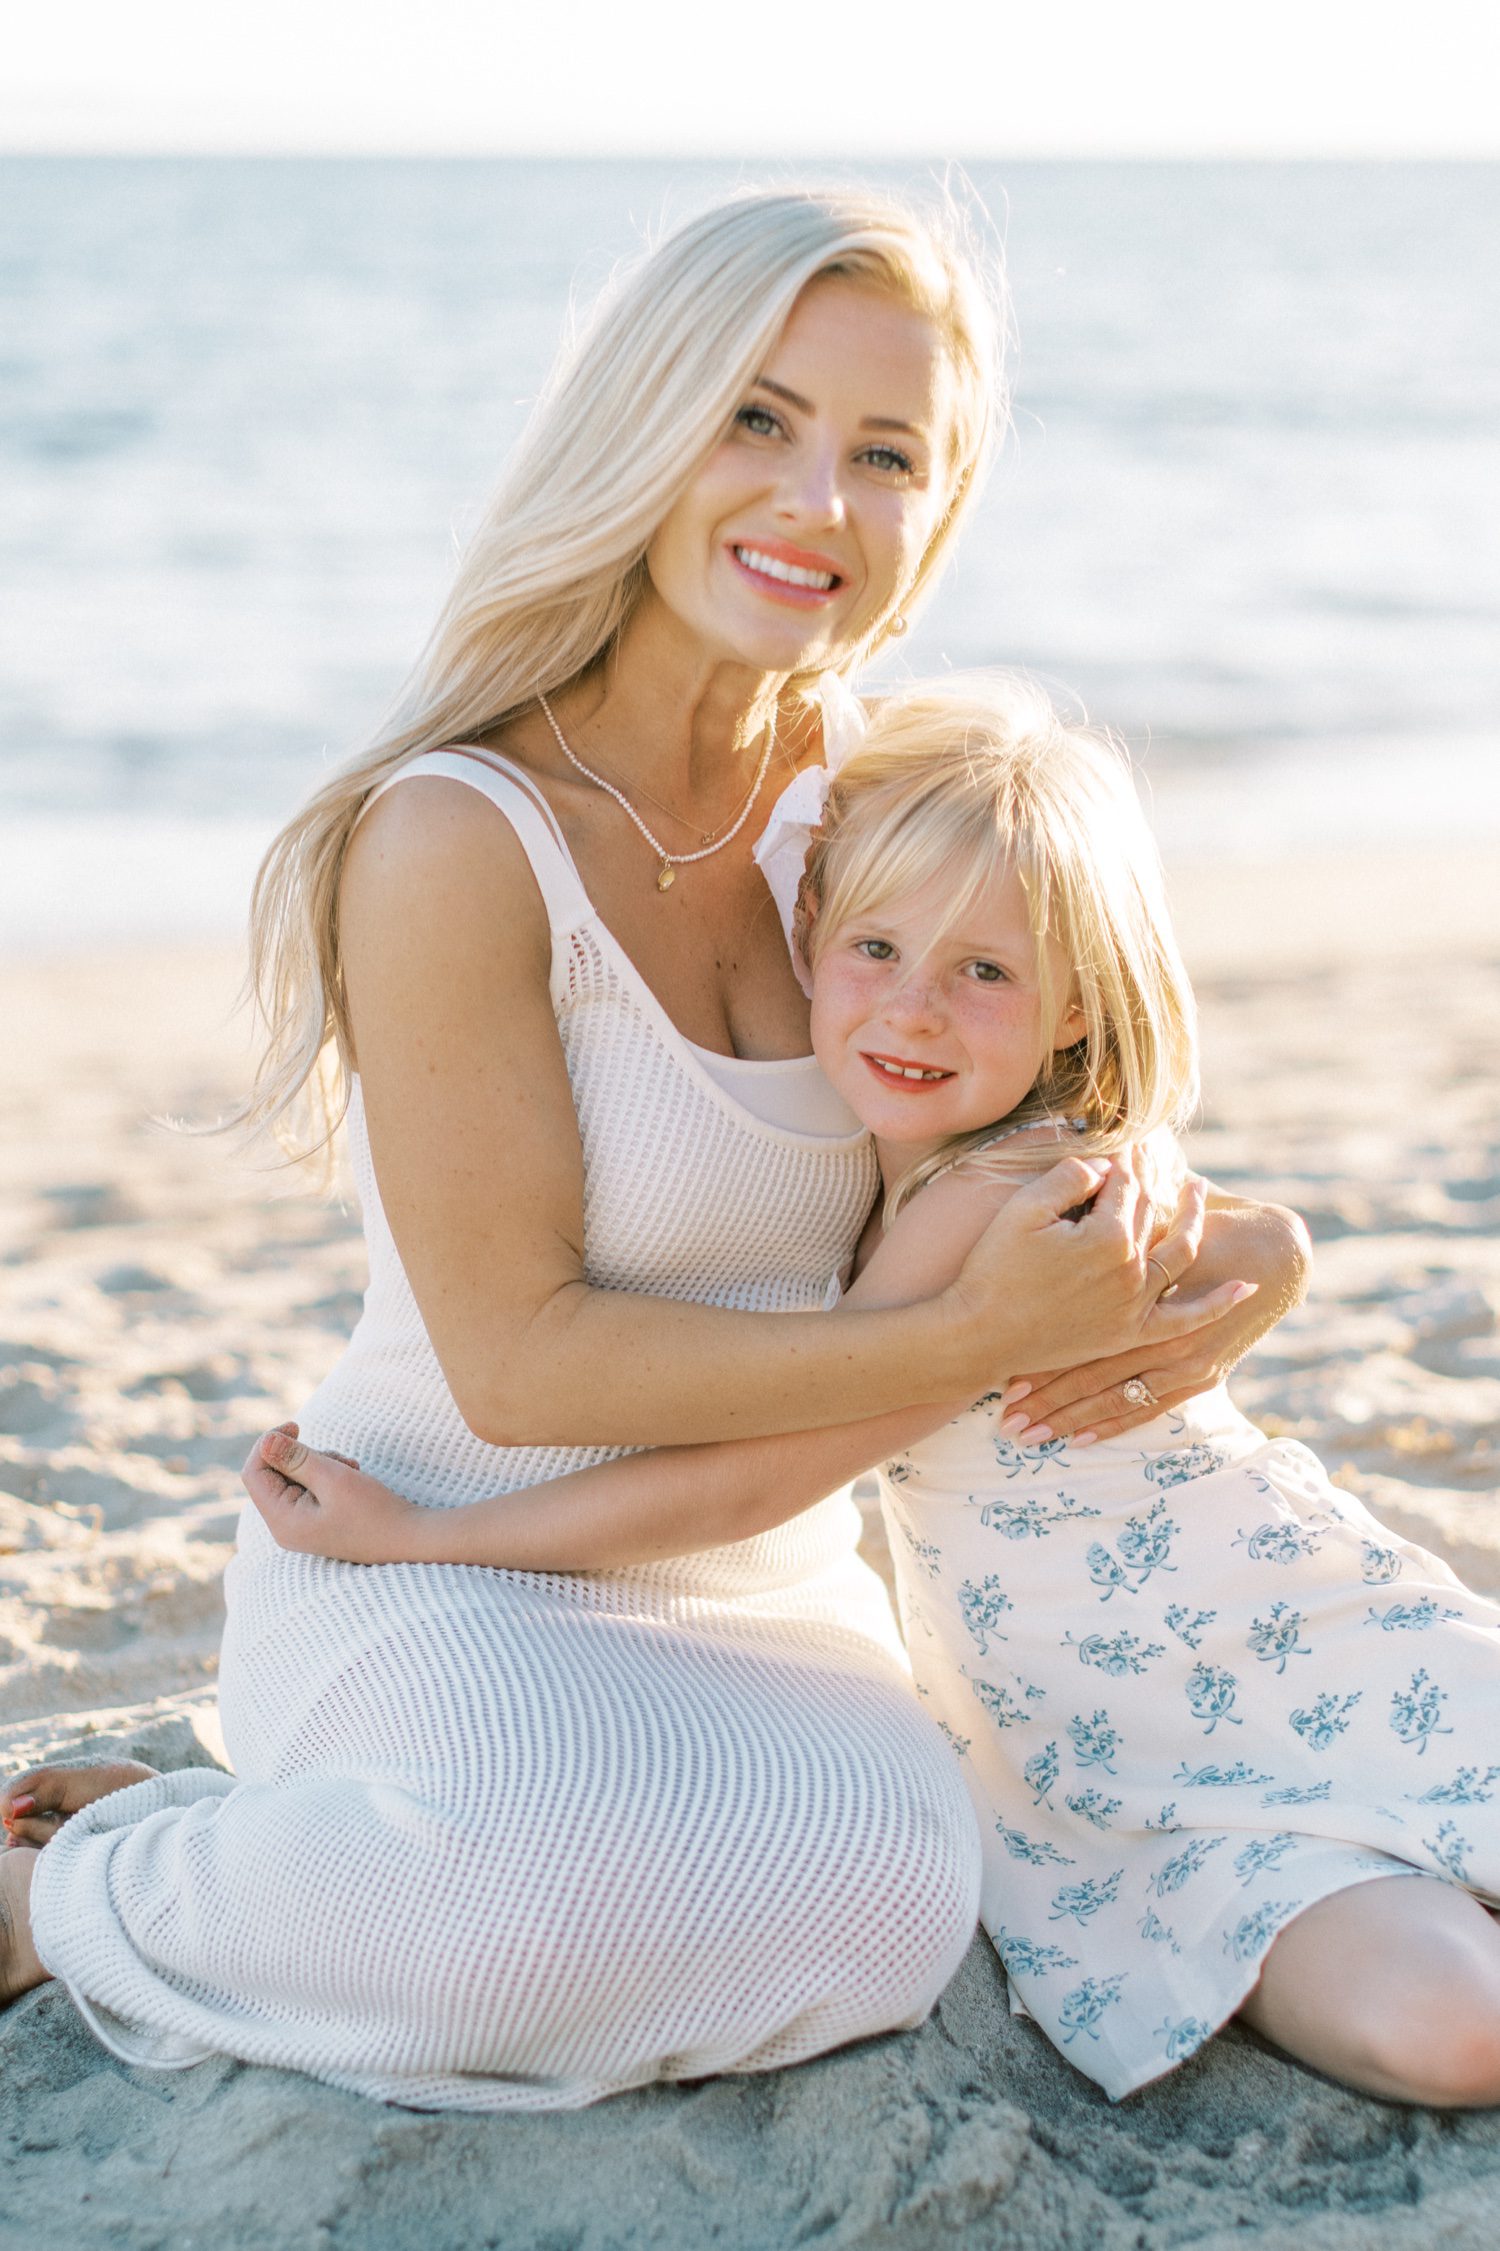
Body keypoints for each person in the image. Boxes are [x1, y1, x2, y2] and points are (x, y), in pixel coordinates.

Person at [0, 188, 1300, 2109]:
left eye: (885, 456)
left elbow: (1056, 1107)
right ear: (646, 425)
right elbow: (524, 1365)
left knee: (887, 1904)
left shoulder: (869, 804)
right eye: (755, 420)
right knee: (529, 1904)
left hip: (755, 1571)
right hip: (430, 1545)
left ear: (932, 509)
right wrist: (973, 1342)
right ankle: (72, 1899)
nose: (816, 503)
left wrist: (1256, 1247)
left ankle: (279, 1831)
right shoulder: (458, 838)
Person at [221, 679, 1500, 2112]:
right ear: (808, 930)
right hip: (1117, 1781)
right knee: (1450, 2033)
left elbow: (749, 1483)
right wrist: (1274, 1246)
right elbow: (1236, 1236)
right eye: (878, 949)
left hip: (1294, 1667)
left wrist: (423, 1537)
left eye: (986, 974)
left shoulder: (1006, 1210)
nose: (913, 1010)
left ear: (1077, 999)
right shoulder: (884, 1187)